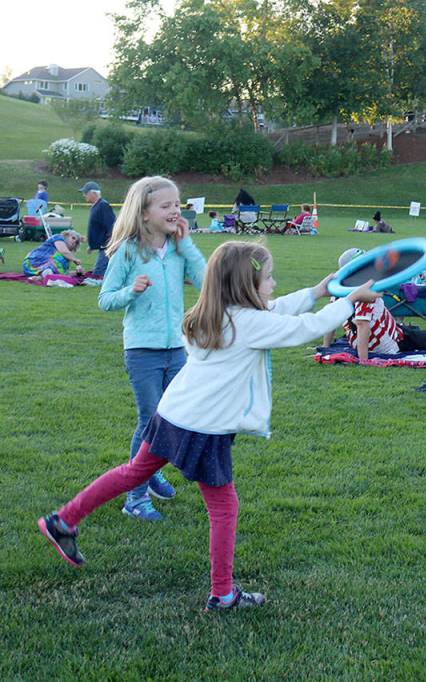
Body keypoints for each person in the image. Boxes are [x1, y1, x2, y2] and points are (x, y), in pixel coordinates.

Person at [38, 241, 379, 611]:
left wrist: (317, 291)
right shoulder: (248, 323)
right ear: (246, 285)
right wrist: (348, 302)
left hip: (172, 416)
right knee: (223, 508)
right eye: (268, 278)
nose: (274, 283)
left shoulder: (211, 314)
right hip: (204, 429)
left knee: (133, 471)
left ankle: (63, 519)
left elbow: (275, 312)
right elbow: (300, 329)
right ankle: (222, 593)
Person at [98, 176, 208, 522]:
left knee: (173, 419)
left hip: (176, 348)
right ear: (144, 213)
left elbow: (206, 282)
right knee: (150, 421)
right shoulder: (129, 250)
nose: (175, 211)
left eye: (177, 204)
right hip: (142, 351)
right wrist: (131, 291)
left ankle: (150, 470)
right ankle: (135, 496)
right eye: (166, 206)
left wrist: (187, 244)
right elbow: (105, 299)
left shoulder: (177, 249)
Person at [322, 249, 426, 359]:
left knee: (416, 333)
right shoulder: (365, 292)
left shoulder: (339, 291)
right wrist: (363, 359)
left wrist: (325, 347)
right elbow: (362, 324)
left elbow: (331, 321)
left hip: (379, 334)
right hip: (388, 342)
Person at [81, 181, 116, 278]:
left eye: (86, 193)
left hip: (106, 246)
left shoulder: (103, 205)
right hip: (102, 246)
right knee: (98, 272)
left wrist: (109, 244)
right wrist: (92, 245)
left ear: (94, 193)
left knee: (98, 275)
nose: (84, 195)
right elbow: (97, 228)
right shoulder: (96, 206)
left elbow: (111, 226)